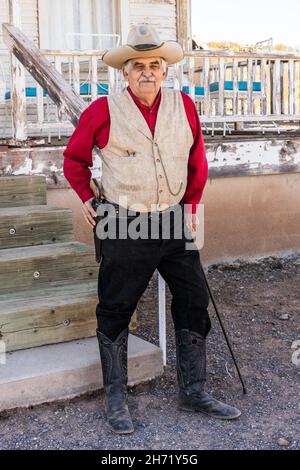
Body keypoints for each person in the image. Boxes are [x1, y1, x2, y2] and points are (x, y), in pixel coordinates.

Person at [63, 24, 241, 435]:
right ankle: (116, 397)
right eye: (138, 65)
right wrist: (88, 200)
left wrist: (192, 206)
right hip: (123, 219)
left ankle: (193, 391)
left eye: (155, 65)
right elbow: (74, 160)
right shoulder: (103, 110)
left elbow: (197, 159)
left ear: (165, 71)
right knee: (116, 307)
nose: (147, 72)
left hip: (174, 217)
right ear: (125, 73)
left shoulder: (186, 106)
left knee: (195, 298)